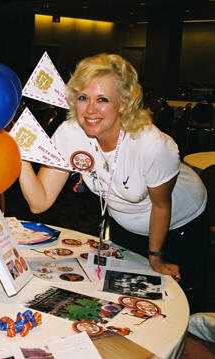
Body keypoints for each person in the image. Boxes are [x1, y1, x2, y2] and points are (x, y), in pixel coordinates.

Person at [19, 53, 208, 306]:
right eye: (83, 98)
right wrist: (19, 153)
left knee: (179, 304)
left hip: (179, 224)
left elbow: (162, 206)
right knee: (124, 302)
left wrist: (155, 256)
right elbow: (39, 202)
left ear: (123, 103)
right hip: (125, 224)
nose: (90, 110)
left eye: (103, 99)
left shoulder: (152, 144)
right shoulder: (70, 133)